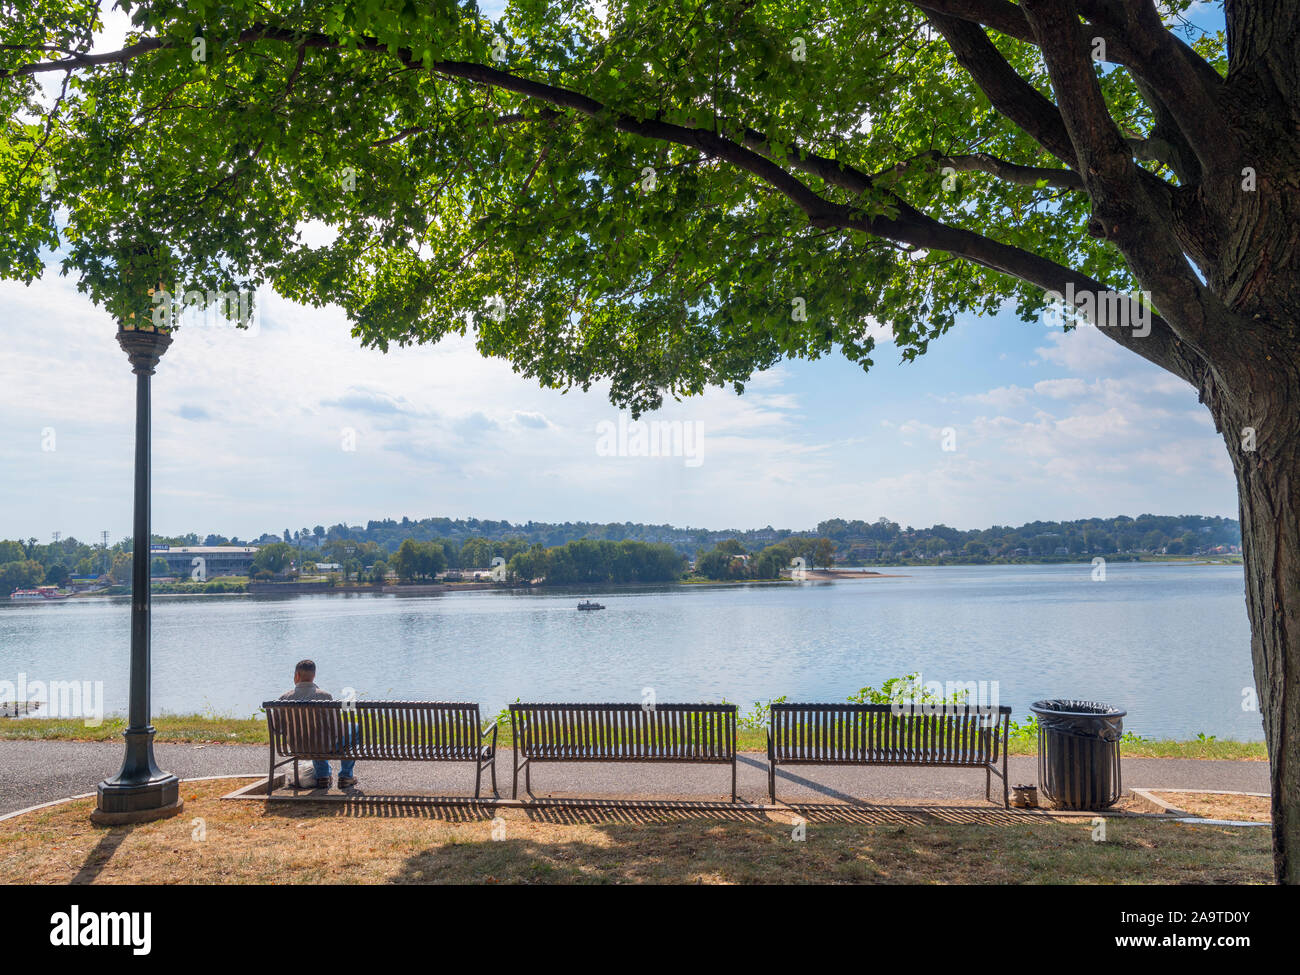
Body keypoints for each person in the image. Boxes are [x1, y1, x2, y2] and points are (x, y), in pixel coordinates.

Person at [279, 659, 357, 789]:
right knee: (352, 729)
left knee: (318, 736)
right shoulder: (325, 696)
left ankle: (323, 776)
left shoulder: (284, 698)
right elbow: (336, 727)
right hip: (322, 745)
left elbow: (278, 728)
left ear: (297, 675)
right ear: (314, 676)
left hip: (296, 746)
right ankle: (346, 776)